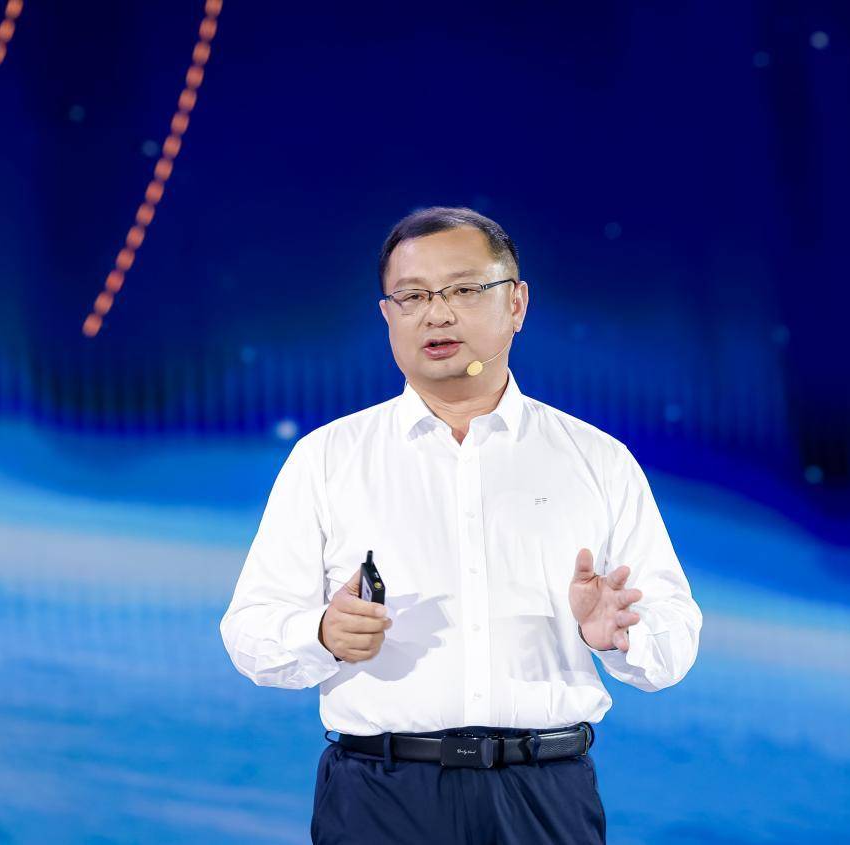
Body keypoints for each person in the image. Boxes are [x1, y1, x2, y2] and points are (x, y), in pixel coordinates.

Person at [220, 206, 703, 844]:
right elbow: (250, 631)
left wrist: (618, 634)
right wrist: (323, 634)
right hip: (379, 797)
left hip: (544, 796)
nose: (437, 314)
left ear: (517, 303)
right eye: (413, 296)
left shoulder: (596, 461)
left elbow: (674, 640)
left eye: (464, 290)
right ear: (388, 315)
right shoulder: (328, 459)